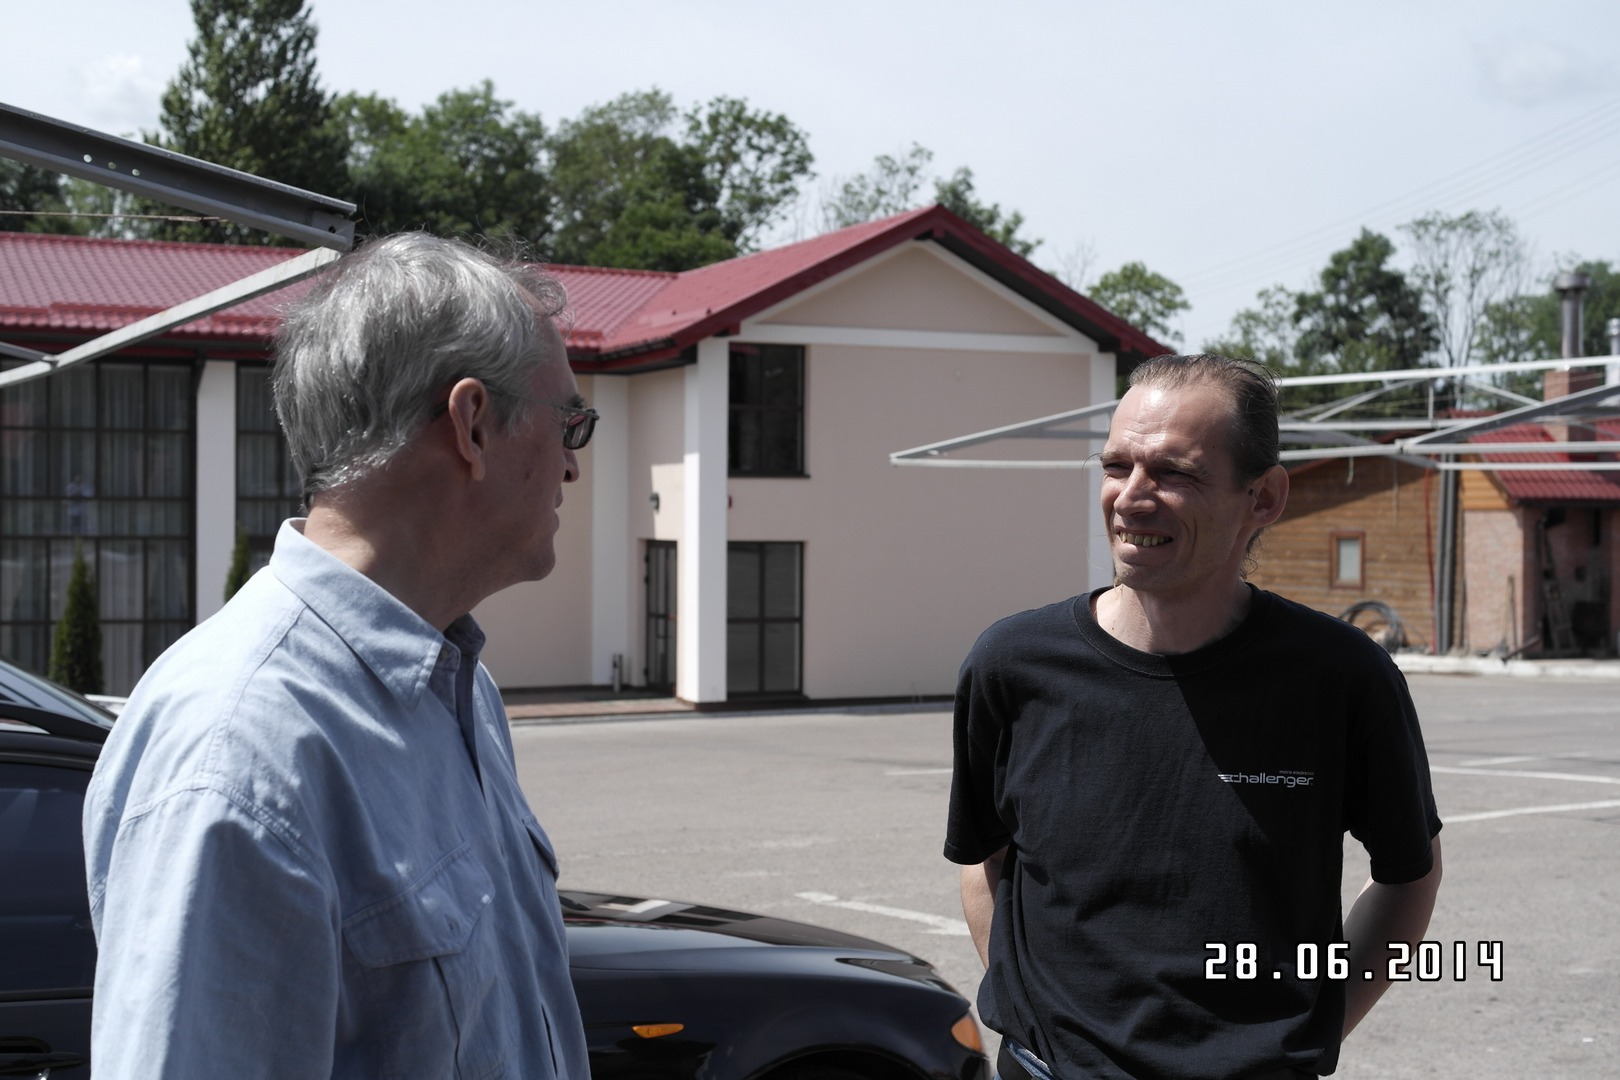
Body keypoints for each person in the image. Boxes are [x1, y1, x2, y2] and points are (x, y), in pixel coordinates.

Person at [84, 233, 598, 1078]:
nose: (573, 466)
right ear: (472, 423)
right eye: (570, 423)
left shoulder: (458, 688)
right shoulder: (242, 752)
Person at [945, 354, 1442, 1080]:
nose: (1131, 497)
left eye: (1173, 473)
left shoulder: (1341, 677)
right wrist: (1038, 1020)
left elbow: (1408, 875)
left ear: (1263, 498)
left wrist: (1312, 1027)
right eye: (1116, 466)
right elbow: (984, 858)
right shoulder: (1012, 665)